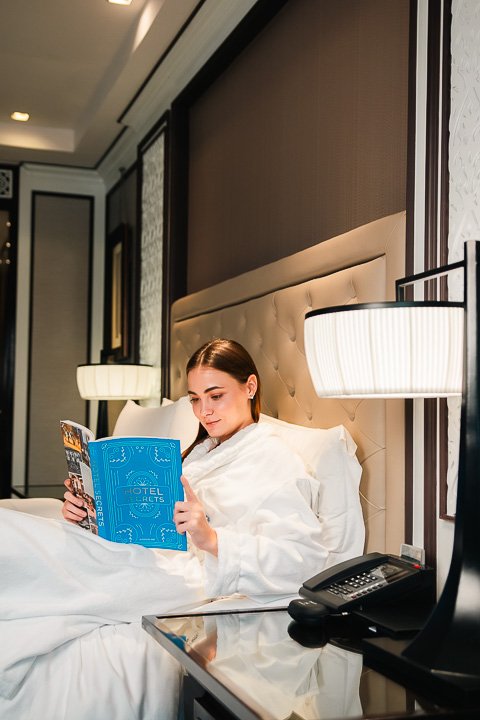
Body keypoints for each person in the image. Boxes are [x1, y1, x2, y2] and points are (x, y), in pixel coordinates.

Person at [0, 338, 330, 698]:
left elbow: (304, 560)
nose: (204, 411)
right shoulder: (200, 453)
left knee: (20, 541)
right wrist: (87, 513)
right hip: (147, 551)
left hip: (186, 577)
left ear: (250, 386)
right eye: (195, 399)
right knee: (28, 535)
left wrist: (212, 540)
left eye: (215, 396)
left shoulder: (274, 459)